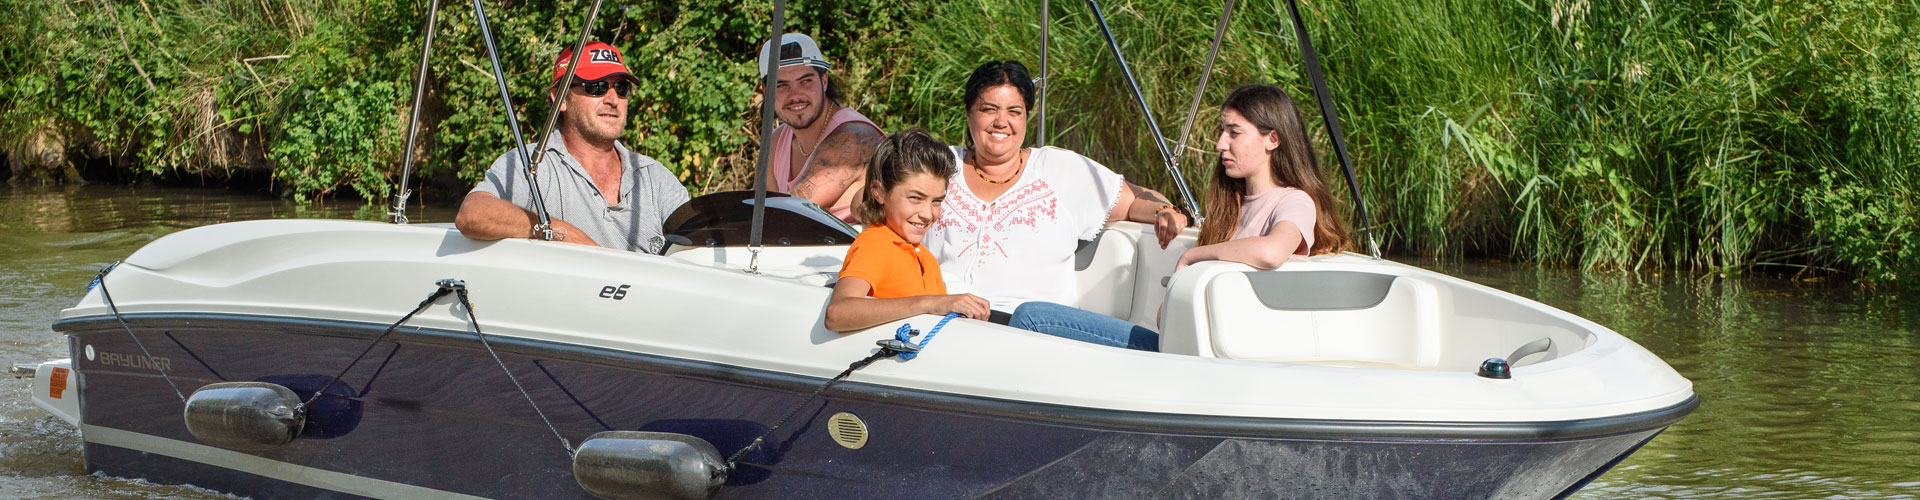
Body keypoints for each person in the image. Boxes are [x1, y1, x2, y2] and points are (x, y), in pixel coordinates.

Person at [925, 60, 1186, 351]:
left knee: (1031, 314)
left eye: (1015, 112)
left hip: (1033, 332)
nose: (1001, 121)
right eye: (989, 109)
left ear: (1026, 118)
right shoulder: (938, 166)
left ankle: (1169, 355)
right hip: (944, 322)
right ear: (968, 112)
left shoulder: (1057, 169)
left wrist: (1164, 211)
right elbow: (876, 197)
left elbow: (1137, 199)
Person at [454, 41, 689, 253]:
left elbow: (698, 246)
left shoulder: (656, 177)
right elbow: (472, 213)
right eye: (596, 87)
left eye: (621, 88)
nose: (613, 99)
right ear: (561, 98)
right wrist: (556, 229)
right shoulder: (531, 164)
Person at [825, 129, 990, 332]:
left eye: (937, 201)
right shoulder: (875, 244)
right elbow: (837, 313)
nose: (927, 214)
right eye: (915, 198)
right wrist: (927, 303)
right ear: (879, 192)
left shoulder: (925, 257)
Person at [1176, 84, 1351, 269]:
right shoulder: (1229, 202)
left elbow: (1271, 253)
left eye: (1234, 133)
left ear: (1272, 139)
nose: (1220, 144)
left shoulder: (1295, 202)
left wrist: (1192, 256)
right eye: (1222, 131)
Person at [756, 33, 885, 224]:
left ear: (824, 81)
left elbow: (788, 214)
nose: (795, 95)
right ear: (767, 91)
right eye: (781, 85)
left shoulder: (854, 136)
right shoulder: (776, 141)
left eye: (805, 81)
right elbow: (757, 215)